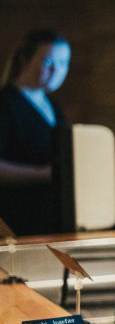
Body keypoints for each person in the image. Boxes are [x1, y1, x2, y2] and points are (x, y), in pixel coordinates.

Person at [0, 29, 71, 235]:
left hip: (51, 217)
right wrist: (41, 175)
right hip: (17, 217)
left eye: (64, 63)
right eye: (48, 62)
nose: (57, 70)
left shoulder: (53, 106)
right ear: (25, 60)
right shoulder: (5, 103)